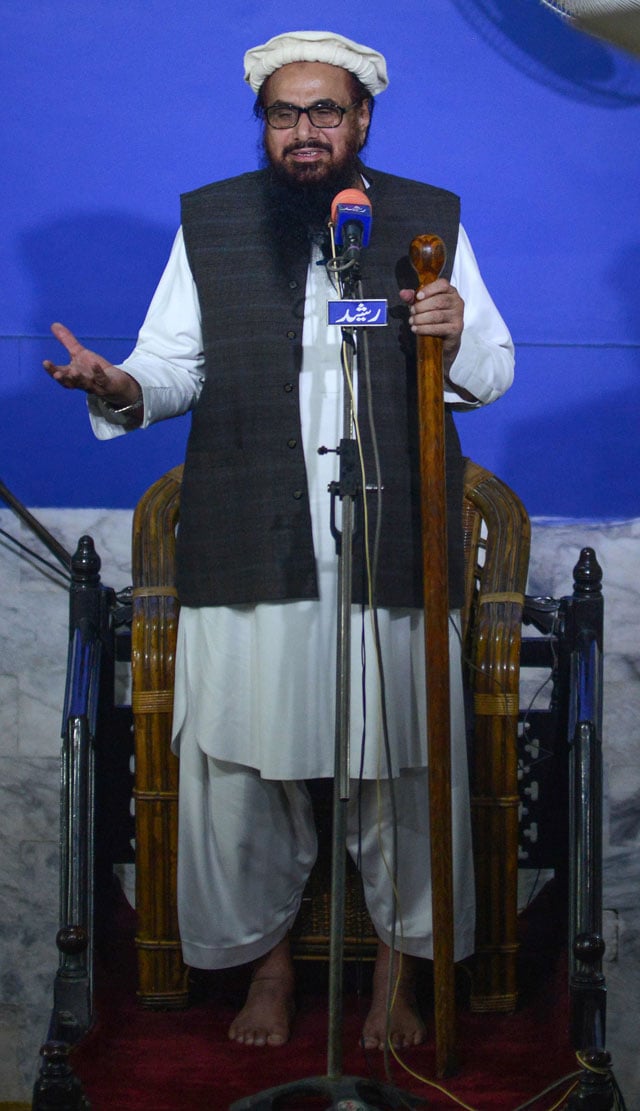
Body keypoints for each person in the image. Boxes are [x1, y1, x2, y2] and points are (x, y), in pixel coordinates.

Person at [43, 30, 514, 1051]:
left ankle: (398, 966)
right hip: (251, 535)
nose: (304, 132)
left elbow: (487, 369)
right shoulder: (210, 220)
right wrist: (118, 386)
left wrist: (448, 322)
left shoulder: (427, 220)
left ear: (363, 122)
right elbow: (170, 366)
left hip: (390, 539)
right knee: (247, 766)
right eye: (284, 114)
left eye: (325, 113)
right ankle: (268, 967)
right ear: (263, 123)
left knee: (401, 761)